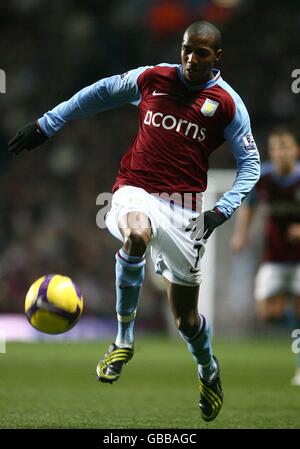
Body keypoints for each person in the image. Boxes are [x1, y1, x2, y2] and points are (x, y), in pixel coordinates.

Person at [8, 21, 260, 421]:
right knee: (136, 234)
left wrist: (219, 211)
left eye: (202, 53)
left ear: (218, 57)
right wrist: (48, 123)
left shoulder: (227, 104)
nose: (191, 59)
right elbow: (100, 92)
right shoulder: (152, 78)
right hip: (135, 189)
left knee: (186, 320)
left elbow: (251, 166)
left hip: (187, 210)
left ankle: (208, 369)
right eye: (186, 50)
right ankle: (124, 340)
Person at [230, 127, 300, 385]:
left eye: (286, 148)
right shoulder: (264, 178)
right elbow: (249, 206)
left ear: (296, 151)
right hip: (274, 258)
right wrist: (240, 235)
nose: (280, 153)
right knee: (267, 314)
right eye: (276, 148)